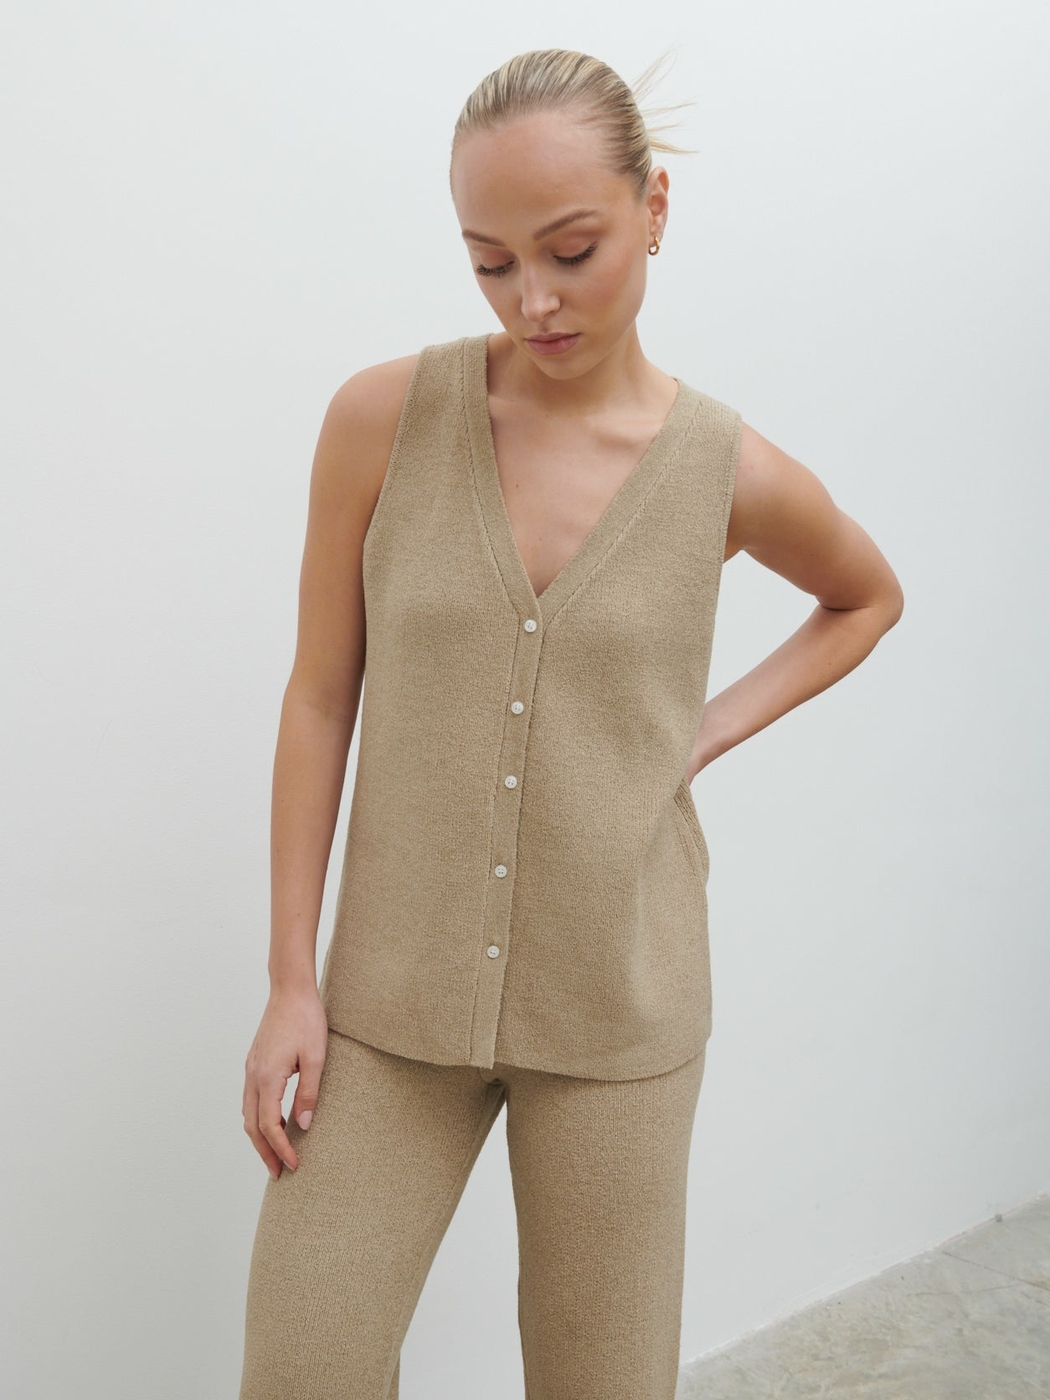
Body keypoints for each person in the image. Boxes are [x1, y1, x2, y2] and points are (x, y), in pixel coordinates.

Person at [237, 47, 903, 1400]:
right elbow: (318, 696)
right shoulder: (380, 421)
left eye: (570, 250)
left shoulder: (726, 470)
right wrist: (291, 980)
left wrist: (698, 733)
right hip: (387, 1002)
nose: (531, 299)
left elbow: (865, 598)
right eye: (490, 263)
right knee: (306, 1363)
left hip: (619, 1007)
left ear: (653, 209)